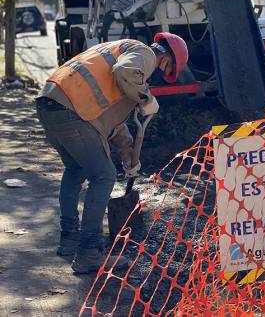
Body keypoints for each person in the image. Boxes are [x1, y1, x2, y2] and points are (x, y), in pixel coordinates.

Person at [36, 33, 188, 273]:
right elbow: (125, 71)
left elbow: (115, 126)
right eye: (166, 68)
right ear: (166, 58)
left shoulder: (118, 48)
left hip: (49, 102)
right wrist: (145, 98)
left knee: (75, 170)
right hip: (71, 110)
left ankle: (70, 241)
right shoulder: (145, 54)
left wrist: (130, 160)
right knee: (104, 176)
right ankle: (89, 253)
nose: (159, 73)